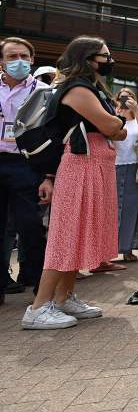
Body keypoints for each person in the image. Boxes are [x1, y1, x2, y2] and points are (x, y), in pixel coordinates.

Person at [22, 36, 125, 329]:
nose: (109, 60)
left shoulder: (88, 88)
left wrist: (115, 124)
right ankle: (39, 307)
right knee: (65, 233)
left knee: (78, 232)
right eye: (105, 55)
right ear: (87, 58)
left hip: (93, 165)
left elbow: (119, 129)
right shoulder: (77, 89)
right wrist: (114, 122)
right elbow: (111, 126)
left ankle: (64, 297)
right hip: (80, 166)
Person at [0, 37, 47, 303]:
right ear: (1, 61)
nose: (18, 61)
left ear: (31, 59)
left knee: (30, 227)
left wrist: (48, 175)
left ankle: (40, 286)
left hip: (26, 164)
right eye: (11, 56)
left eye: (23, 56)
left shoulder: (42, 91)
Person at [113, 88, 138, 263]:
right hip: (114, 165)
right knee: (113, 209)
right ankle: (109, 249)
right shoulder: (113, 116)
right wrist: (116, 112)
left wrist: (137, 110)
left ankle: (129, 249)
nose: (126, 101)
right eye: (122, 98)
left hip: (136, 167)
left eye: (130, 97)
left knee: (133, 209)